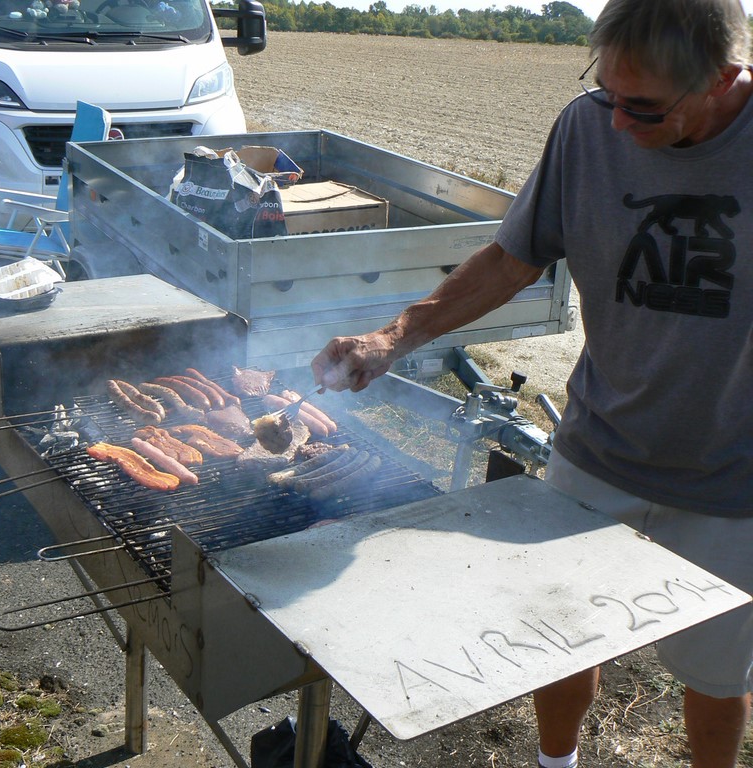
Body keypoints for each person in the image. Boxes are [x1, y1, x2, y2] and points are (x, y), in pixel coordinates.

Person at [310, 0, 753, 766]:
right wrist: (392, 338)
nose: (617, 122)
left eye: (643, 107)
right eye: (606, 91)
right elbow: (512, 261)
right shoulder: (587, 127)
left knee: (715, 677)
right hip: (598, 448)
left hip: (732, 479)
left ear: (721, 79)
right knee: (561, 637)